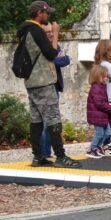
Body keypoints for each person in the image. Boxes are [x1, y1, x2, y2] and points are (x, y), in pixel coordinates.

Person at [17, 0, 80, 168]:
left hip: (31, 82)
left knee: (36, 120)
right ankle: (60, 157)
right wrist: (56, 33)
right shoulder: (36, 30)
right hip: (44, 81)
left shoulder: (24, 30)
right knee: (53, 119)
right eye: (47, 13)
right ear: (39, 13)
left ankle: (38, 157)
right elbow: (52, 53)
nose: (49, 16)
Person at [39, 21, 71, 160]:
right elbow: (53, 60)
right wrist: (56, 58)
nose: (51, 34)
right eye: (47, 32)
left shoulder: (55, 45)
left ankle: (46, 152)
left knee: (52, 120)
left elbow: (65, 60)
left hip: (55, 87)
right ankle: (44, 153)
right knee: (46, 121)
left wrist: (58, 58)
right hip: (45, 87)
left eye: (52, 31)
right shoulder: (41, 47)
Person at [94, 39, 111, 155]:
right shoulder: (106, 65)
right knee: (108, 124)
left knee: (109, 123)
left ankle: (103, 146)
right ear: (107, 50)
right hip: (108, 99)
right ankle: (104, 146)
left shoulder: (108, 63)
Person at [85, 65, 111, 159]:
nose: (106, 78)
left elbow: (103, 101)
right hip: (97, 115)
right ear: (98, 76)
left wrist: (109, 104)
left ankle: (98, 147)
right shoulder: (96, 88)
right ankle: (92, 149)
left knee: (107, 132)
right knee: (100, 133)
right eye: (104, 76)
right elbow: (99, 103)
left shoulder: (101, 86)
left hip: (102, 115)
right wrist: (109, 107)